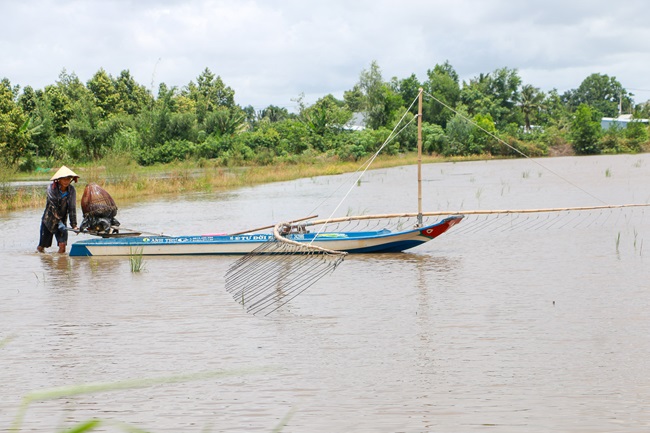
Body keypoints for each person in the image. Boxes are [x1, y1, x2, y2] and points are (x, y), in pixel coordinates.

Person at [37, 165, 79, 254]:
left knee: (63, 247)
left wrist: (74, 225)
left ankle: (61, 265)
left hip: (62, 221)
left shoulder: (71, 190)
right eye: (64, 179)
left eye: (68, 179)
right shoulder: (51, 188)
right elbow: (53, 207)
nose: (66, 181)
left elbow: (72, 208)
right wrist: (59, 223)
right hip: (49, 220)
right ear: (59, 179)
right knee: (42, 246)